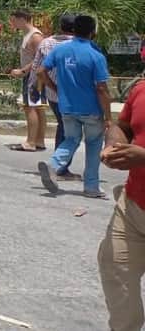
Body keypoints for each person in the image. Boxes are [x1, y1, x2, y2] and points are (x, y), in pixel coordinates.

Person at [38, 14, 112, 199]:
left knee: (71, 139)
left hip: (67, 106)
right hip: (91, 109)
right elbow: (102, 88)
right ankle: (92, 187)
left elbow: (40, 71)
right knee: (94, 145)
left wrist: (55, 88)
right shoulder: (96, 56)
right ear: (93, 32)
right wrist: (109, 117)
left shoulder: (60, 51)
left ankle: (53, 165)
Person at [98, 81, 145, 330]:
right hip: (133, 209)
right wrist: (113, 144)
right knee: (116, 271)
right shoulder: (142, 89)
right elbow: (123, 126)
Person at [34, 13, 76, 153]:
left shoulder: (46, 42)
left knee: (63, 125)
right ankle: (60, 165)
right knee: (68, 129)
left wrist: (53, 87)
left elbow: (37, 69)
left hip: (53, 95)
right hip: (72, 95)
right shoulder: (79, 45)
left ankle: (59, 163)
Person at [9, 10, 46, 152]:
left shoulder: (35, 36)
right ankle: (39, 141)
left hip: (33, 77)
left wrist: (22, 71)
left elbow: (39, 58)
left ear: (23, 19)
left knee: (30, 108)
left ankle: (31, 142)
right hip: (32, 76)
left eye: (14, 20)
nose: (12, 23)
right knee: (37, 108)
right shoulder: (28, 35)